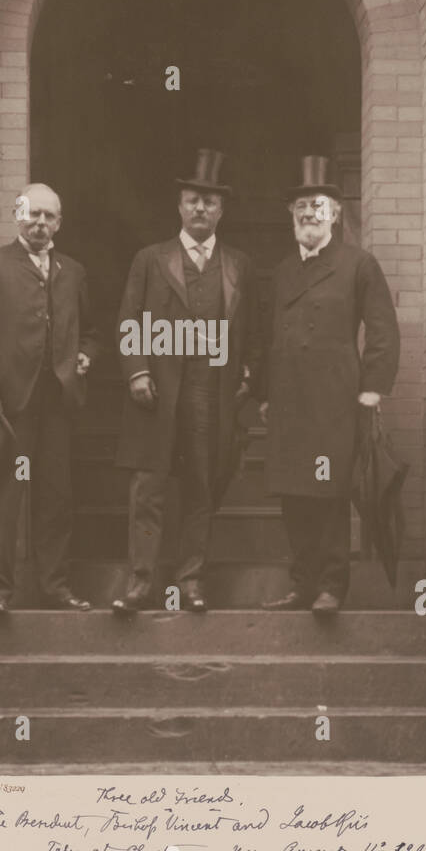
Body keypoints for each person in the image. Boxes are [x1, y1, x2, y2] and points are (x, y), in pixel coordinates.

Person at [112, 149, 260, 613]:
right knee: (149, 487)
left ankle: (191, 579)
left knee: (201, 484)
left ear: (222, 210)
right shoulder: (150, 260)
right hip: (157, 391)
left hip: (210, 392)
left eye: (210, 203)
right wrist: (136, 371)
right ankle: (140, 582)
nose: (201, 209)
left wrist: (248, 374)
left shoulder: (239, 266)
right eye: (193, 200)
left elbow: (253, 332)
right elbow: (127, 321)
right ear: (179, 206)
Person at [260, 156, 400, 615]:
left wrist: (371, 390)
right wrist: (264, 393)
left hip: (337, 400)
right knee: (293, 494)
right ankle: (302, 584)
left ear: (336, 214)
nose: (308, 213)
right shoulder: (281, 271)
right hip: (287, 400)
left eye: (317, 205)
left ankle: (332, 587)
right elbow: (270, 336)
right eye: (300, 205)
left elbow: (382, 329)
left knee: (329, 492)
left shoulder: (358, 264)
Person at [0, 183, 97, 614]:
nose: (39, 223)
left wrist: (86, 355)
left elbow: (90, 331)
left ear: (59, 223)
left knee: (56, 497)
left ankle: (55, 588)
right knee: (5, 497)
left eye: (48, 217)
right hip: (10, 407)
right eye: (32, 214)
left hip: (57, 403)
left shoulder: (72, 271)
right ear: (17, 216)